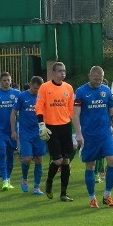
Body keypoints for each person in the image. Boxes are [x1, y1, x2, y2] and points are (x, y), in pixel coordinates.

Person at [73, 66, 113, 208]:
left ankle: (107, 195)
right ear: (89, 76)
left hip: (105, 133)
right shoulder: (81, 92)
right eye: (96, 79)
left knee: (112, 161)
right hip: (89, 135)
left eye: (100, 79)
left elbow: (112, 112)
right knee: (90, 165)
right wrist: (79, 133)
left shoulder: (106, 91)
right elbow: (75, 114)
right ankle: (92, 198)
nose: (98, 81)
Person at [35, 61, 75, 202]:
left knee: (66, 161)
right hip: (51, 128)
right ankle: (49, 181)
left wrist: (70, 121)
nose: (62, 73)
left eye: (64, 71)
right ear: (53, 73)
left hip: (65, 127)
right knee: (57, 160)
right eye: (59, 71)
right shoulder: (45, 87)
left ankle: (64, 193)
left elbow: (70, 108)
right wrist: (41, 125)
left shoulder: (69, 88)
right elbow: (39, 107)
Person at [11, 76, 46, 195]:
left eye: (39, 89)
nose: (37, 91)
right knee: (26, 159)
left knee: (39, 159)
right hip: (25, 132)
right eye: (35, 88)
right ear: (30, 85)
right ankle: (24, 179)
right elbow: (13, 113)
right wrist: (13, 130)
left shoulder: (43, 96)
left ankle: (37, 187)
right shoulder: (22, 96)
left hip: (39, 132)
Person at [0, 72, 21, 190]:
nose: (6, 82)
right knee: (2, 151)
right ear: (0, 81)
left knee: (10, 154)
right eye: (4, 80)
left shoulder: (17, 94)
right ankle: (4, 180)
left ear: (11, 81)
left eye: (8, 80)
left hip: (11, 129)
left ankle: (8, 179)